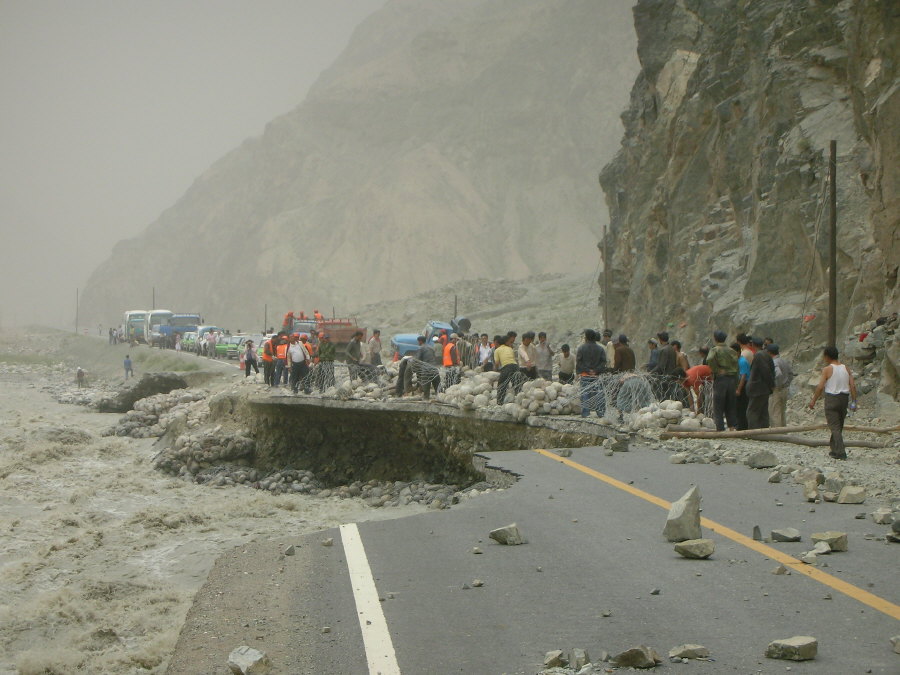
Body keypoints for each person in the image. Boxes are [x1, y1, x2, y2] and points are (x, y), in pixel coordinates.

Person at [808, 346, 857, 460]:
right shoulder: (846, 368)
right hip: (844, 399)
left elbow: (820, 387)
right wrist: (854, 401)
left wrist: (813, 401)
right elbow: (853, 386)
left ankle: (840, 451)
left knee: (834, 426)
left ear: (827, 356)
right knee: (838, 425)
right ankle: (834, 449)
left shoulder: (827, 369)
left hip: (832, 399)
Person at [705, 331, 738, 431]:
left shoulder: (715, 350)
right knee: (730, 404)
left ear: (715, 338)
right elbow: (736, 364)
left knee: (718, 405)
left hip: (721, 379)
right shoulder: (731, 350)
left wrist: (716, 370)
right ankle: (732, 427)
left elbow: (710, 359)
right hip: (732, 379)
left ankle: (720, 428)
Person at [745, 336, 775, 428]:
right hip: (764, 389)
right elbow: (772, 370)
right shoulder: (766, 354)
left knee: (752, 411)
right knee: (763, 411)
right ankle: (763, 431)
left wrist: (771, 385)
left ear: (753, 345)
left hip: (758, 389)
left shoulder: (759, 355)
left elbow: (765, 371)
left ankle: (754, 433)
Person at [576, 328, 606, 418]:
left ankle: (585, 413)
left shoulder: (581, 348)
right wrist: (596, 370)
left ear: (586, 337)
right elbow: (603, 362)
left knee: (585, 393)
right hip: (596, 375)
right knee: (598, 394)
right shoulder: (600, 349)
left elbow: (579, 362)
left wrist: (587, 370)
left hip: (585, 375)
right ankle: (600, 413)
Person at [767, 343, 794, 427]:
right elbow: (790, 374)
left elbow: (778, 374)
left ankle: (777, 432)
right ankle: (783, 431)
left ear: (769, 352)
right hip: (785, 389)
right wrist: (786, 383)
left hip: (777, 390)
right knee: (782, 411)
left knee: (775, 412)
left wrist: (775, 386)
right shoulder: (784, 360)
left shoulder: (774, 362)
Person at [495, 333, 519, 404]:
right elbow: (513, 358)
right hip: (515, 366)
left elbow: (497, 363)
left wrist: (496, 369)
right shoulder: (510, 348)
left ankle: (499, 402)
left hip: (507, 367)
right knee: (516, 384)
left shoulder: (497, 350)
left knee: (501, 385)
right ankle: (518, 400)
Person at [415, 335, 440, 399]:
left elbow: (418, 360)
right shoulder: (431, 347)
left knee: (426, 385)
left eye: (418, 341)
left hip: (426, 368)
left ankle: (426, 399)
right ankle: (439, 397)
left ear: (420, 341)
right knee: (437, 386)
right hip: (435, 368)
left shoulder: (420, 348)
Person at [734, 342, 750, 430]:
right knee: (738, 407)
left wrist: (739, 390)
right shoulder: (738, 361)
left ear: (737, 352)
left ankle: (742, 427)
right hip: (740, 385)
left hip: (743, 386)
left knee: (742, 407)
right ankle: (739, 425)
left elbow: (743, 376)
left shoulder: (742, 362)